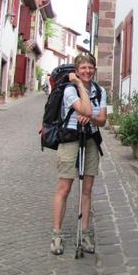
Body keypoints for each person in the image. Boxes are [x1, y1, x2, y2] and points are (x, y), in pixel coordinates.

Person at [50, 53, 107, 255]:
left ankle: (85, 232)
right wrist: (80, 85)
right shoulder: (69, 89)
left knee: (87, 190)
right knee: (64, 188)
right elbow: (86, 109)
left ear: (94, 69)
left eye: (90, 67)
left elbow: (102, 120)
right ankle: (57, 234)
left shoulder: (100, 90)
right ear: (76, 71)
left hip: (90, 140)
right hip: (70, 140)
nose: (87, 71)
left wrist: (90, 118)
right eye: (83, 68)